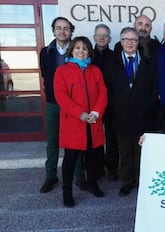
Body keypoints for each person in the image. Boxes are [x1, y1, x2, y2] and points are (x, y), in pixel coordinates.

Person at [54, 36, 108, 207]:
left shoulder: (95, 70)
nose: (81, 51)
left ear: (89, 51)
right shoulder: (62, 71)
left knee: (92, 157)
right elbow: (61, 97)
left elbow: (103, 93)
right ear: (72, 50)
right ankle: (67, 192)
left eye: (84, 48)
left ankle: (92, 184)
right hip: (74, 122)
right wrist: (80, 113)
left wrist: (96, 112)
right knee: (70, 159)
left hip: (92, 122)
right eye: (78, 48)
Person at [106, 27, 158, 197]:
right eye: (126, 39)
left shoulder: (148, 63)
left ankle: (142, 181)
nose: (130, 42)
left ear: (138, 42)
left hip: (143, 115)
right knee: (126, 151)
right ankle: (127, 182)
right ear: (121, 42)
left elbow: (153, 89)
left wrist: (147, 105)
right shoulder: (112, 64)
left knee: (142, 151)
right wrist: (117, 107)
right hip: (121, 116)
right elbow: (109, 90)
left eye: (133, 40)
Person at [39, 17, 86, 193]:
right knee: (52, 140)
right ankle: (50, 175)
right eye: (59, 28)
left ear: (71, 31)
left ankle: (79, 175)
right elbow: (46, 77)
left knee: (76, 140)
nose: (62, 31)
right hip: (53, 103)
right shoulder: (46, 52)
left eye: (66, 28)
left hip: (74, 105)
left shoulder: (76, 50)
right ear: (53, 30)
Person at [91, 24, 119, 181]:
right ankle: (97, 167)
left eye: (105, 35)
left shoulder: (114, 56)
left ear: (109, 38)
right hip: (92, 103)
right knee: (94, 136)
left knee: (111, 136)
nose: (102, 37)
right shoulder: (88, 55)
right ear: (94, 37)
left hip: (111, 102)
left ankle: (112, 167)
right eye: (99, 35)